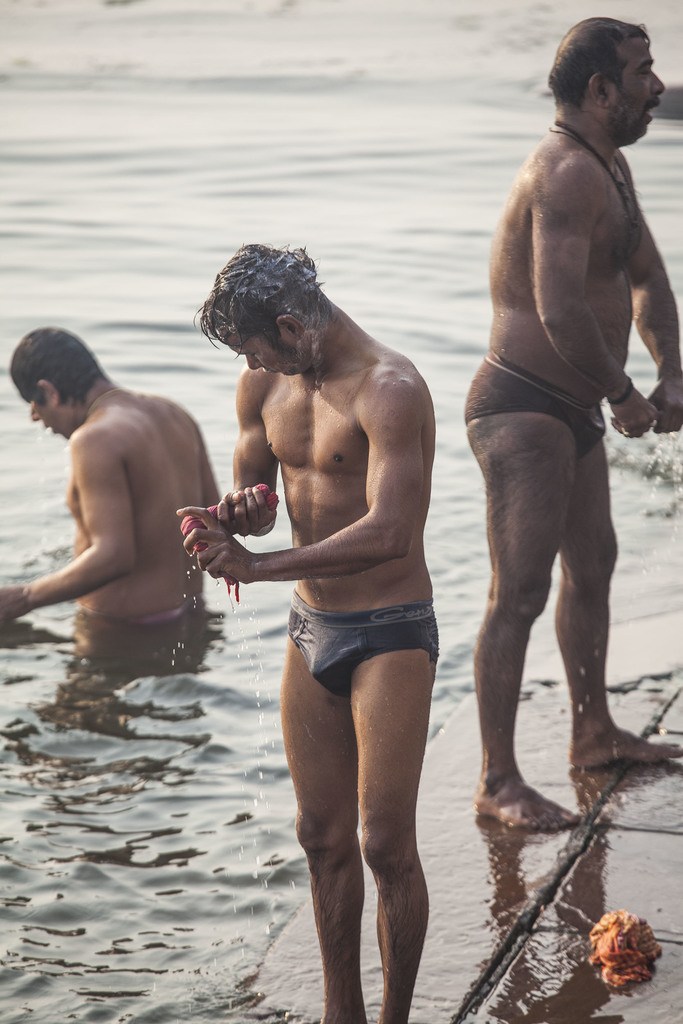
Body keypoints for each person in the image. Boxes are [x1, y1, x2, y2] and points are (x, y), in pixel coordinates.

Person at [179, 244, 437, 1024]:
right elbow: (255, 481)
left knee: (384, 845)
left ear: (291, 326)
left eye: (255, 346)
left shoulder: (390, 391)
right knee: (320, 838)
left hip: (387, 631)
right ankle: (340, 1013)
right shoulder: (263, 382)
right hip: (310, 627)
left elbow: (391, 531)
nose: (250, 362)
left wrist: (259, 566)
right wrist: (242, 511)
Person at [465, 17, 683, 832]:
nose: (657, 85)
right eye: (642, 71)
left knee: (592, 565)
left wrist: (671, 370)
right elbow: (557, 308)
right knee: (515, 594)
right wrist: (625, 395)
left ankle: (591, 734)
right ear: (599, 90)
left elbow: (649, 279)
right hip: (522, 406)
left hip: (573, 403)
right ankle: (495, 780)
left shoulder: (609, 167)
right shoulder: (562, 173)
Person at [1, 327, 219, 626]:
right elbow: (213, 521)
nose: (34, 417)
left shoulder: (93, 438)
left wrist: (25, 597)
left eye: (34, 404)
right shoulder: (174, 414)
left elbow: (114, 556)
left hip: (121, 634)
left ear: (49, 391)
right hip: (192, 619)